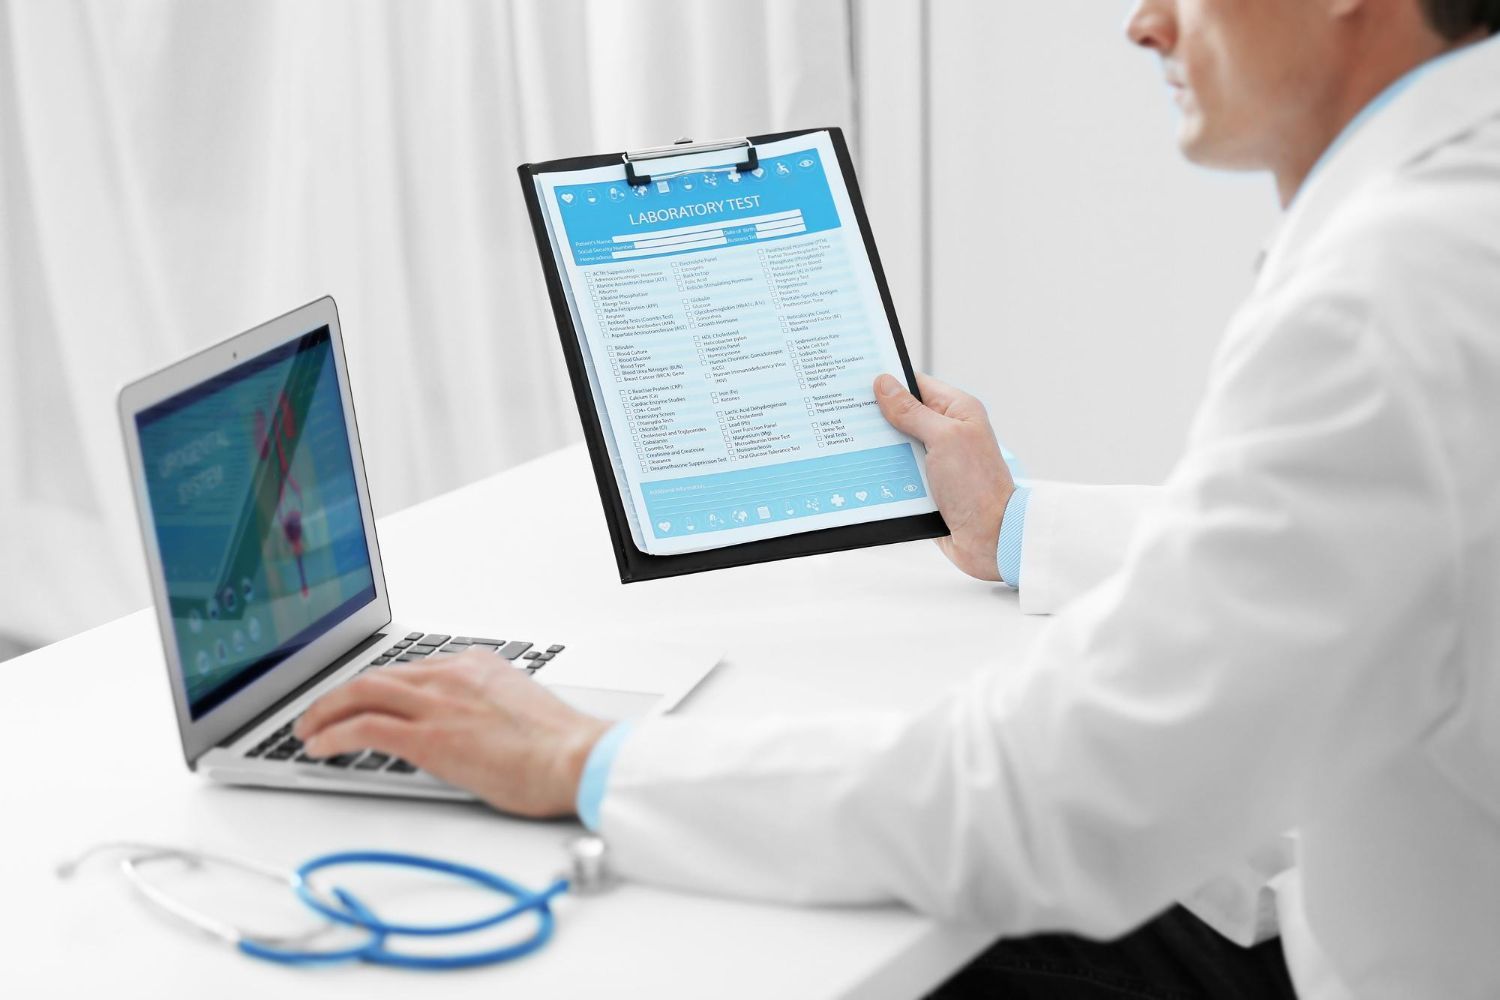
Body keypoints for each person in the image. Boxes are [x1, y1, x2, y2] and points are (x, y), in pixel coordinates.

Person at [295, 0, 1500, 995]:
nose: (1144, 26)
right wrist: (1018, 527)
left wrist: (587, 759)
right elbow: (1380, 543)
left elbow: (1054, 800)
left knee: (814, 950)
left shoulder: (1384, 304)